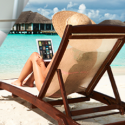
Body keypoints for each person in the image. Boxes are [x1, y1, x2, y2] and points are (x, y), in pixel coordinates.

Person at [12, 11, 96, 93]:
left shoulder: (63, 53)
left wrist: (41, 63)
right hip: (71, 89)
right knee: (49, 63)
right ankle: (29, 81)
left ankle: (19, 81)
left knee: (35, 56)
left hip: (51, 90)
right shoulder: (94, 54)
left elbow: (45, 74)